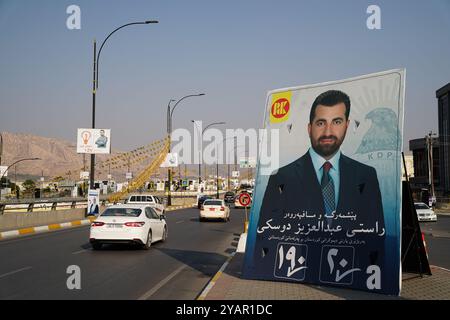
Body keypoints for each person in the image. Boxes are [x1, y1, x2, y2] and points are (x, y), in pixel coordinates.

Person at [251, 90, 385, 287]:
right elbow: (266, 239)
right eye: (321, 123)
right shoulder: (283, 176)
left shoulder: (366, 175)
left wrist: (374, 281)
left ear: (347, 125)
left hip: (350, 276)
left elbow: (375, 238)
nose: (328, 131)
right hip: (296, 277)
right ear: (309, 128)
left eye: (337, 122)